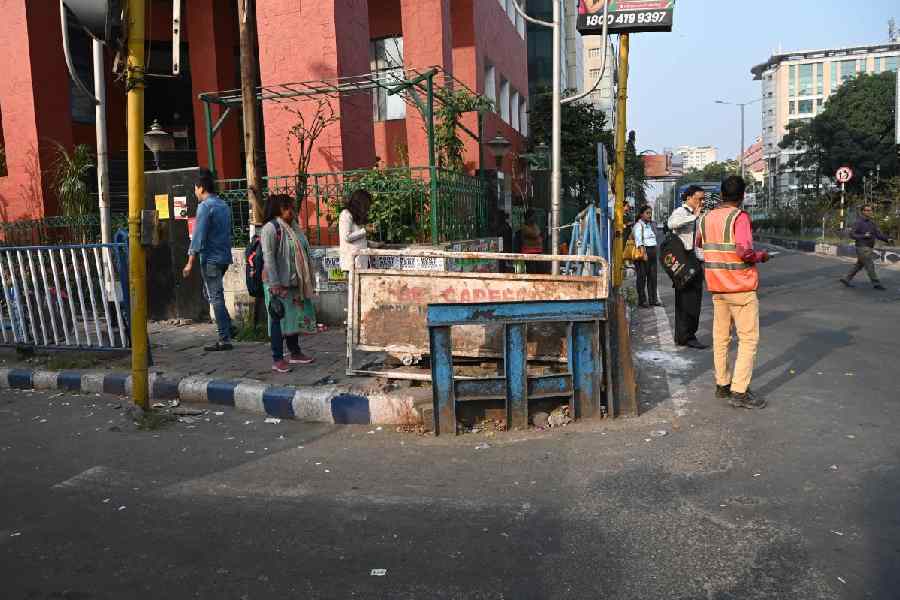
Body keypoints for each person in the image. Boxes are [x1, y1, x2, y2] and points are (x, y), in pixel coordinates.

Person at [697, 176, 769, 409]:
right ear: (742, 195)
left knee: (721, 338)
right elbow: (744, 252)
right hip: (740, 287)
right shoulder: (740, 217)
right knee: (748, 340)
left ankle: (722, 384)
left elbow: (699, 244)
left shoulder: (706, 218)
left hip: (717, 287)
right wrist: (761, 256)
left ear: (721, 194)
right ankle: (739, 391)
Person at [260, 194, 318, 373]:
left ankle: (295, 352)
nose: (292, 211)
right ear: (278, 209)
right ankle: (277, 358)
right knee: (277, 319)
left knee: (294, 319)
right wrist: (275, 284)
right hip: (277, 284)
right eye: (287, 208)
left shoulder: (294, 227)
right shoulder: (270, 228)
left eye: (292, 208)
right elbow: (269, 258)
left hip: (293, 282)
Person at [183, 168, 234, 352]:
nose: (195, 192)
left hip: (211, 258)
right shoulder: (223, 205)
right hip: (224, 257)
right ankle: (229, 327)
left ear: (202, 188)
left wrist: (189, 262)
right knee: (212, 293)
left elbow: (198, 237)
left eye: (195, 188)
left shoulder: (205, 207)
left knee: (215, 297)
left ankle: (224, 338)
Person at [667, 185, 707, 348]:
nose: (701, 202)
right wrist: (693, 217)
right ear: (689, 198)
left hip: (696, 260)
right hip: (685, 261)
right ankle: (686, 336)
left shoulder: (698, 214)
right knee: (687, 300)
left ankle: (684, 335)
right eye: (699, 199)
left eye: (703, 199)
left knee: (694, 299)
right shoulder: (681, 212)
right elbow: (671, 224)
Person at [840, 205, 894, 291]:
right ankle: (876, 283)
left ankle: (846, 279)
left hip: (869, 247)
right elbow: (852, 234)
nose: (870, 212)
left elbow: (878, 234)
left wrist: (887, 239)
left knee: (859, 265)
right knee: (869, 264)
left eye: (870, 210)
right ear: (863, 211)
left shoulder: (872, 223)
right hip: (862, 247)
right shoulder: (858, 222)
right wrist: (863, 235)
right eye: (867, 210)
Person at [633, 205, 661, 308]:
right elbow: (639, 241)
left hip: (652, 252)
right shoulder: (638, 225)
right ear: (641, 214)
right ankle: (642, 300)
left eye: (650, 213)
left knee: (652, 278)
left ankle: (653, 299)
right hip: (643, 253)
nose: (650, 215)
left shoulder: (650, 225)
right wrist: (644, 254)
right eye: (647, 213)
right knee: (642, 278)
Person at [339, 189, 373, 273]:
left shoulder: (356, 216)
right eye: (366, 205)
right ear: (361, 203)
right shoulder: (346, 214)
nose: (367, 208)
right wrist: (365, 230)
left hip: (361, 262)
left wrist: (376, 244)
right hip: (351, 263)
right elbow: (346, 237)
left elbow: (359, 240)